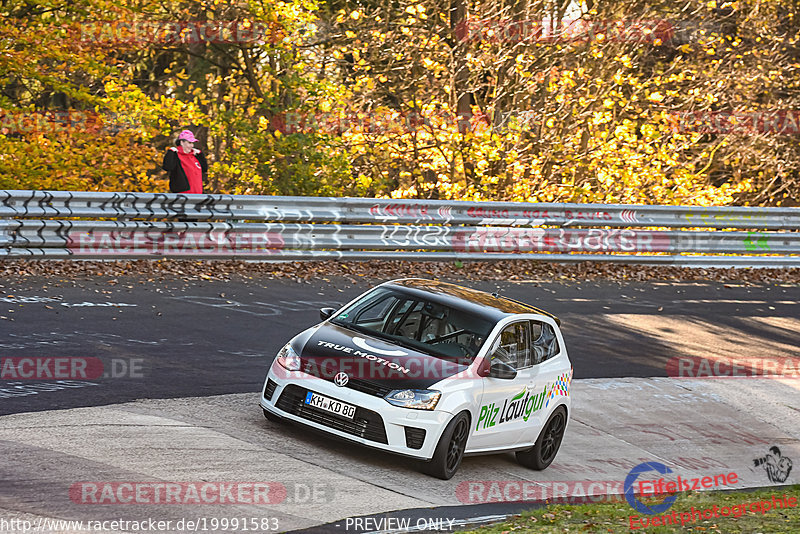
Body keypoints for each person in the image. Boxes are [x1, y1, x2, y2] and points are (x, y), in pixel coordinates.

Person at [162, 129, 207, 194]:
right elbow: (167, 167)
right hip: (182, 196)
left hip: (198, 195)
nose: (192, 146)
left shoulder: (195, 156)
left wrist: (200, 154)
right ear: (182, 143)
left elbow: (205, 169)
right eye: (189, 143)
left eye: (192, 143)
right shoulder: (176, 155)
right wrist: (170, 152)